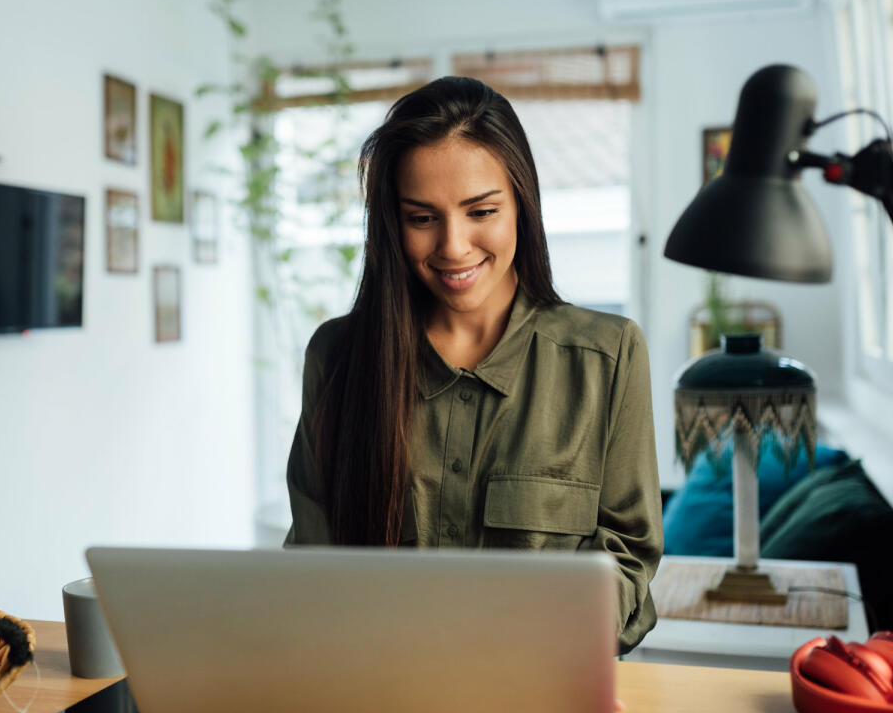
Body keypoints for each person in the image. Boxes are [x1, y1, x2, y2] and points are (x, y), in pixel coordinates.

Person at [284, 76, 662, 652]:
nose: (453, 247)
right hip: (372, 698)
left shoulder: (608, 356)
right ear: (392, 223)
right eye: (421, 218)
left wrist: (554, 644)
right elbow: (312, 568)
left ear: (522, 206)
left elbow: (627, 556)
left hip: (542, 693)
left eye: (481, 210)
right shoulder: (336, 357)